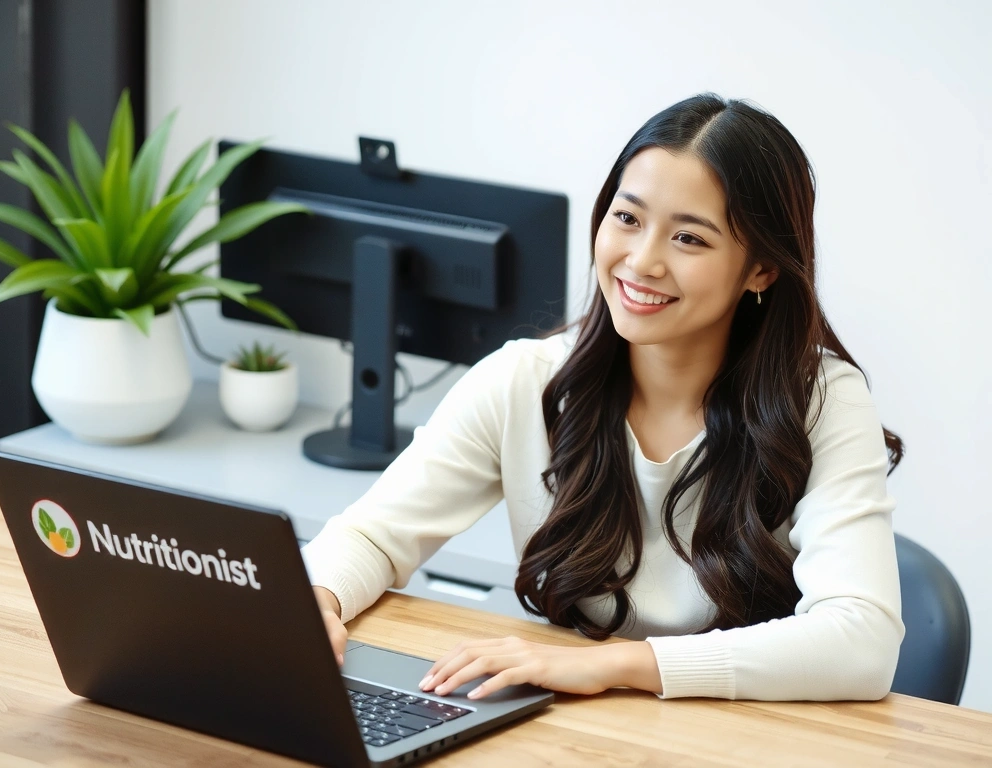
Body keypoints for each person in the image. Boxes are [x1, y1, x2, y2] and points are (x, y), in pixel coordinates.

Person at [302, 92, 905, 702]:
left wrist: (622, 665)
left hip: (741, 737)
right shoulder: (525, 381)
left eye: (690, 239)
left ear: (761, 271)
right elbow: (371, 537)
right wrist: (317, 602)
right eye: (627, 218)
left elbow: (862, 643)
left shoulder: (824, 401)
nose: (642, 261)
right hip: (570, 729)